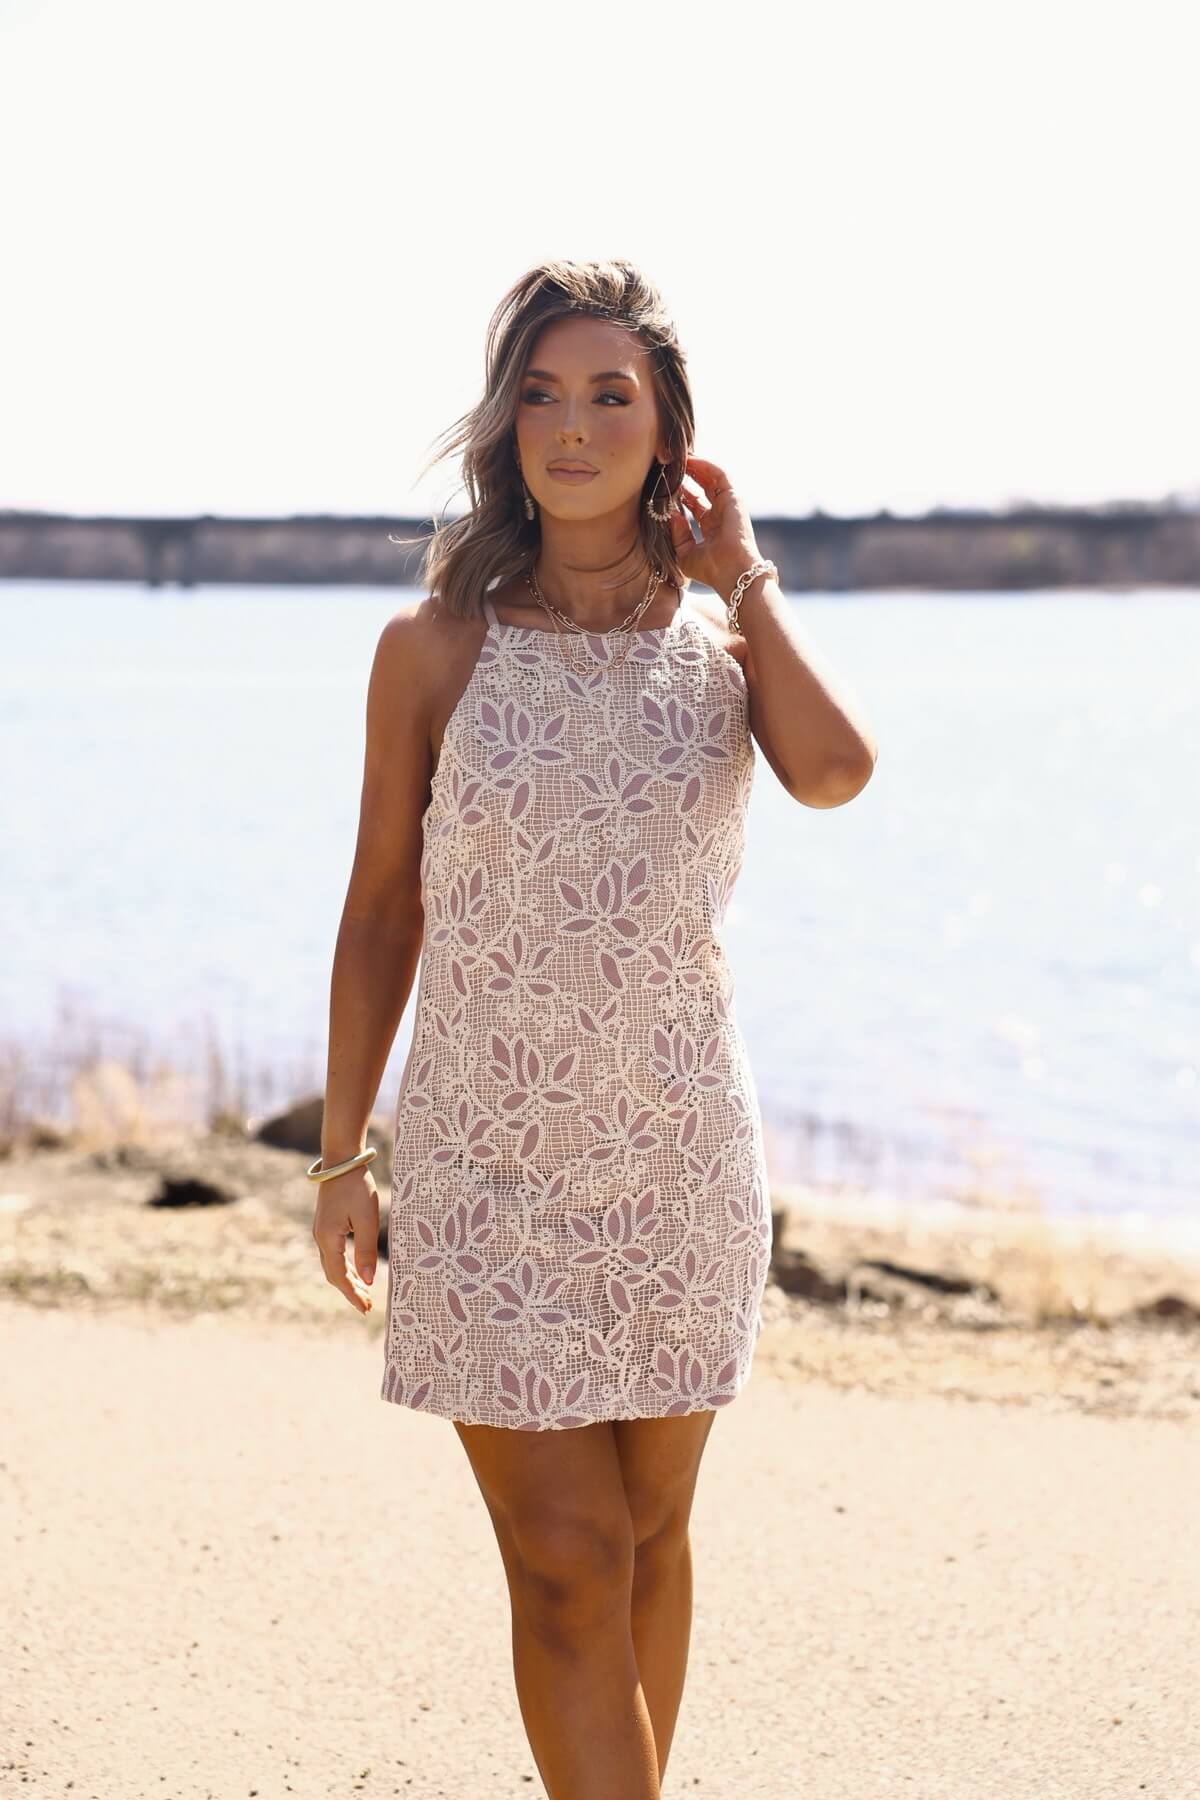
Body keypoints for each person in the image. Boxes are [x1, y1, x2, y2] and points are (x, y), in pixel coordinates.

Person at [311, 259, 878, 1799]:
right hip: (485, 1168)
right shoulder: (431, 650)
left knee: (646, 1542)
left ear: (668, 433)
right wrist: (339, 1155)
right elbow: (379, 913)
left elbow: (836, 775)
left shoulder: (725, 645)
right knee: (565, 1564)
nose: (573, 428)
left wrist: (746, 576)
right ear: (505, 428)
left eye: (610, 396)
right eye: (542, 395)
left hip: (678, 1161)